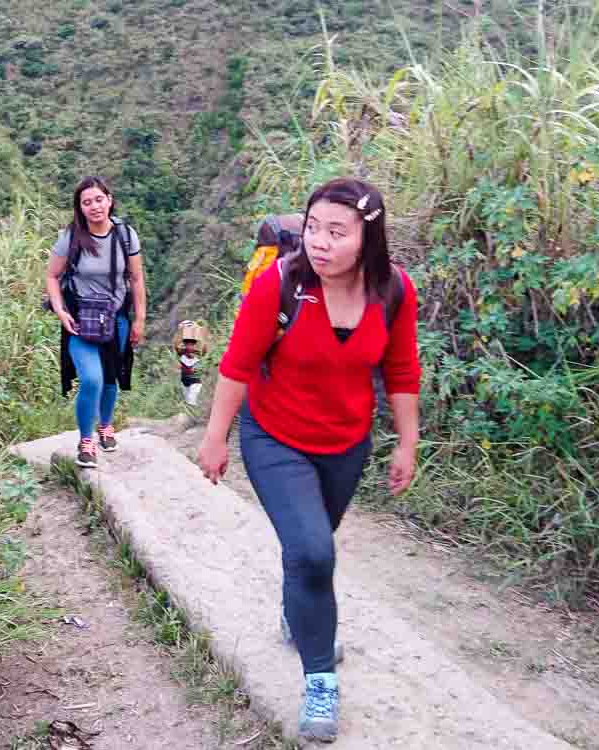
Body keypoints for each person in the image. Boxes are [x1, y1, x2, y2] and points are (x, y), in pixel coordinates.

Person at [196, 177, 421, 743]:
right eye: (313, 228)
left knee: (310, 553)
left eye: (336, 233)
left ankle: (299, 614)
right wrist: (216, 437)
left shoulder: (393, 291)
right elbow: (238, 364)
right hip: (275, 438)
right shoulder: (282, 285)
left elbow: (400, 372)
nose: (318, 242)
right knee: (314, 552)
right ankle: (320, 678)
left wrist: (407, 441)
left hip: (346, 445)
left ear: (368, 240)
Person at [45, 176, 147, 468]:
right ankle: (86, 439)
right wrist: (60, 309)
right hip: (80, 320)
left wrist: (139, 318)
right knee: (92, 379)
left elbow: (137, 278)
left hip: (116, 319)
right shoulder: (71, 237)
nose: (94, 207)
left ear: (109, 199)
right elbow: (52, 275)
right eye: (86, 202)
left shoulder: (126, 236)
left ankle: (105, 424)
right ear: (80, 207)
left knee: (111, 378)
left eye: (98, 200)